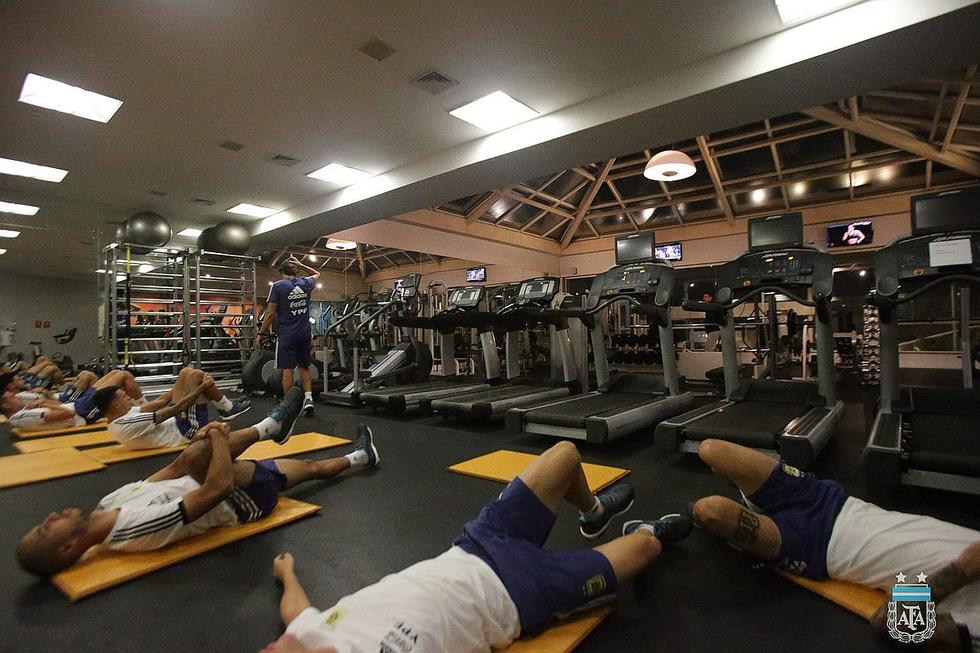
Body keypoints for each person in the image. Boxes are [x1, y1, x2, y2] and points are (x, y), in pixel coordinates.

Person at [262, 441, 693, 653]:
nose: (270, 649)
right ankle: (646, 529)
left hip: (478, 544)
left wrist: (287, 573)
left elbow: (294, 614)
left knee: (564, 455)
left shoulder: (303, 634)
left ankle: (593, 511)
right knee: (645, 550)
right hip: (520, 595)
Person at [16, 388, 380, 577]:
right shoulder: (134, 532)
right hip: (242, 498)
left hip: (216, 473)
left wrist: (207, 442)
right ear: (68, 550)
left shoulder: (109, 504)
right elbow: (215, 491)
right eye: (47, 530)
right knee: (307, 469)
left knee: (195, 456)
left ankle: (359, 456)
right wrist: (218, 438)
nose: (50, 516)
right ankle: (271, 429)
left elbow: (173, 471)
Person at [691, 439, 979, 650]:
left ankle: (750, 521)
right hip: (829, 500)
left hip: (816, 549)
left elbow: (888, 624)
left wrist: (960, 572)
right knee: (711, 450)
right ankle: (756, 506)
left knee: (709, 511)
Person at [92, 366, 251, 449]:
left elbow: (161, 401)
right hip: (186, 430)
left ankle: (226, 406)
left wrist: (182, 385)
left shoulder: (121, 415)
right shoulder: (126, 424)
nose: (128, 397)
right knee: (196, 376)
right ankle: (227, 407)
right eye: (124, 397)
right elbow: (176, 409)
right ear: (115, 403)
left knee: (186, 372)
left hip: (177, 420)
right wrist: (202, 387)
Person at [257, 256, 320, 417]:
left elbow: (270, 313)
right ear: (296, 270)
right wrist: (301, 264)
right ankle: (308, 399)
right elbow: (317, 273)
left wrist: (260, 333)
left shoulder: (278, 286)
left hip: (287, 334)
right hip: (304, 333)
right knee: (304, 366)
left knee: (287, 370)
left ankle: (289, 406)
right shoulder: (305, 283)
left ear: (282, 272)